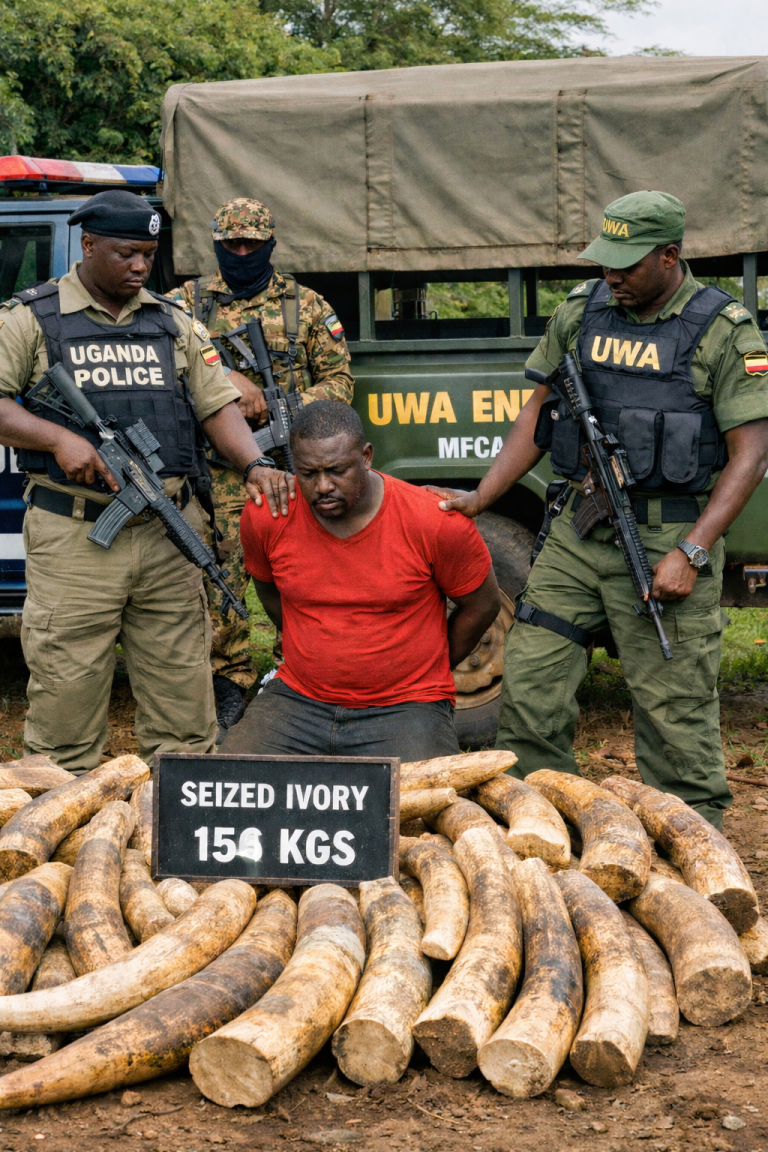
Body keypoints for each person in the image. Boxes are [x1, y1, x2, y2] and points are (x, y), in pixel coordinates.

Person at [429, 190, 768, 829]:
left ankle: (693, 839)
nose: (611, 274)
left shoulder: (723, 331)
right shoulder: (582, 312)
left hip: (668, 535)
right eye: (605, 261)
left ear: (669, 256)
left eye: (627, 263)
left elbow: (749, 456)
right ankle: (538, 824)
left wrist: (692, 551)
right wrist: (482, 496)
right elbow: (538, 414)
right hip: (579, 532)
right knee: (530, 682)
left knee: (674, 708)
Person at [0, 190, 294, 774]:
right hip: (75, 535)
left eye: (149, 255)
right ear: (88, 246)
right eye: (127, 254)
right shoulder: (30, 319)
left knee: (184, 703)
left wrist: (254, 463)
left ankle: (180, 814)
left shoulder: (172, 322)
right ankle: (60, 811)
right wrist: (59, 440)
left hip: (168, 530)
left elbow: (217, 405)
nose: (140, 267)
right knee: (66, 696)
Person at [167, 198, 355, 740]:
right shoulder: (185, 303)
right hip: (217, 470)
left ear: (270, 244)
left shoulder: (307, 306)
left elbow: (341, 383)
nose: (242, 253)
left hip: (293, 468)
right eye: (232, 245)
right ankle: (228, 679)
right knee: (220, 573)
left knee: (301, 571)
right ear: (217, 244)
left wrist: (280, 405)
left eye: (252, 244)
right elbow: (162, 364)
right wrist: (225, 383)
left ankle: (293, 672)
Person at [220, 401, 501, 762]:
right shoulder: (269, 515)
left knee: (421, 795)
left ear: (366, 457)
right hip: (300, 698)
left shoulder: (433, 521)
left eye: (337, 470)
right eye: (308, 473)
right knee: (230, 782)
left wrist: (428, 666)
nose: (323, 486)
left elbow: (483, 605)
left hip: (406, 705)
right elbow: (269, 590)